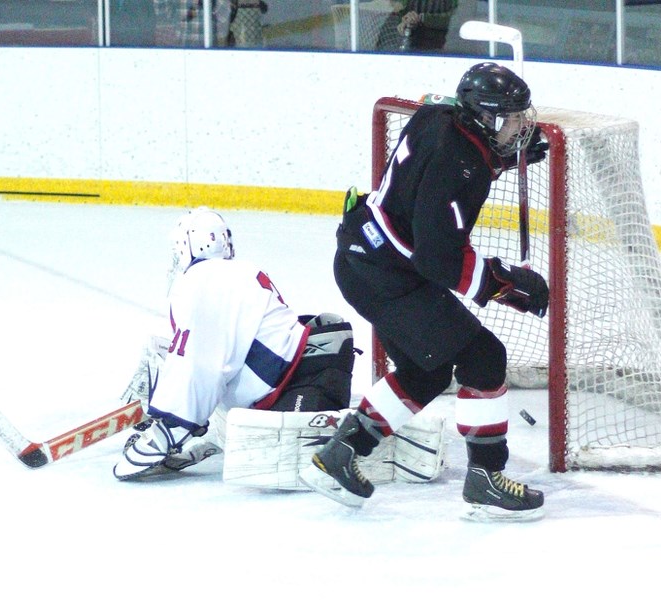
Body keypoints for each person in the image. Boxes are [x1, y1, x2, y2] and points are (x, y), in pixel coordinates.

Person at [299, 62, 550, 521]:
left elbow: (438, 180)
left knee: (426, 370)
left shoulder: (438, 114)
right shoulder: (461, 166)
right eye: (512, 119)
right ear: (486, 118)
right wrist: (507, 285)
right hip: (387, 274)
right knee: (484, 357)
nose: (520, 126)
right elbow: (438, 260)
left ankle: (342, 453)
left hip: (363, 256)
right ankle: (486, 480)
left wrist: (501, 156)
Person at [113, 207, 357, 480]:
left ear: (188, 246)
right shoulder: (237, 271)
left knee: (167, 354)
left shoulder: (203, 280)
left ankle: (163, 412)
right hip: (290, 374)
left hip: (278, 391)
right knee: (168, 348)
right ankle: (165, 407)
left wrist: (170, 429)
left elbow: (201, 364)